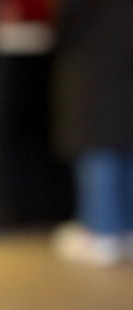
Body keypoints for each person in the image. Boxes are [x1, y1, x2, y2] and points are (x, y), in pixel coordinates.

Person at [52, 0, 133, 266]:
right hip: (119, 78)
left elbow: (64, 29)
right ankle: (122, 230)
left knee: (98, 151)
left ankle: (102, 231)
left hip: (95, 77)